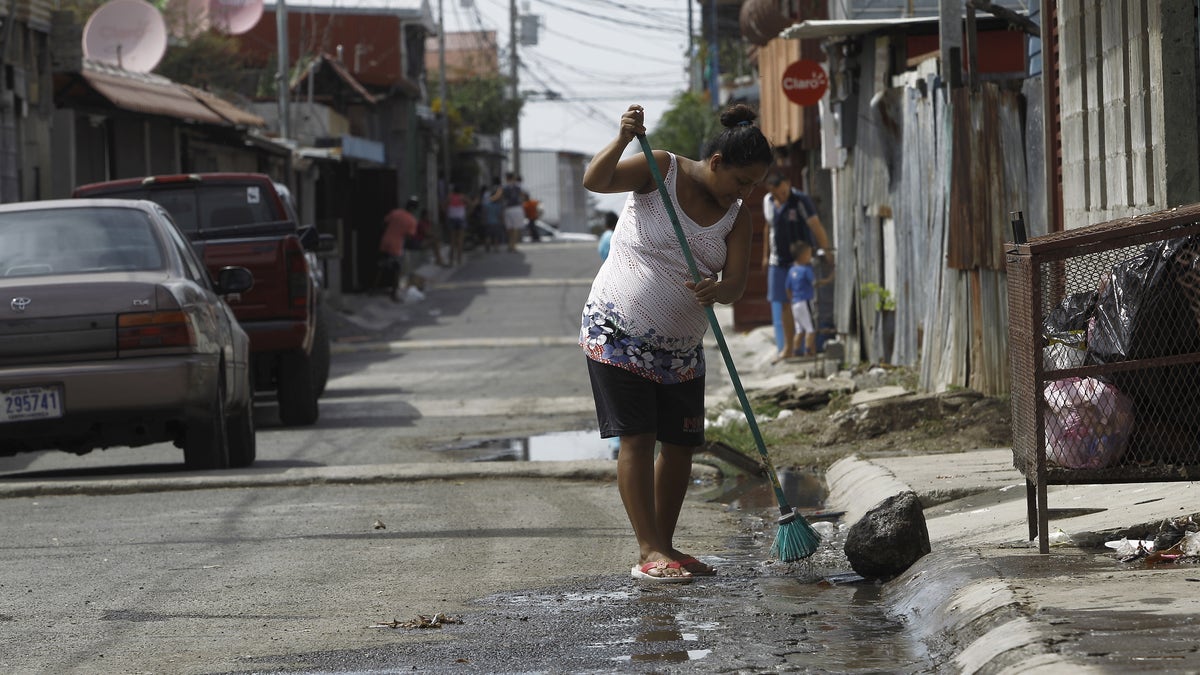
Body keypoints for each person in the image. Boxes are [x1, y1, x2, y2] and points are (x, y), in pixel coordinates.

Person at [580, 102, 773, 582]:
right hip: (617, 330)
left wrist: (718, 290)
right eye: (741, 181)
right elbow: (595, 181)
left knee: (682, 444)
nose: (745, 193)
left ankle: (666, 546)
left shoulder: (736, 218)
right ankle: (648, 550)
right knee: (638, 437)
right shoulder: (660, 167)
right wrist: (624, 138)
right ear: (715, 163)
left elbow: (735, 285)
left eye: (754, 185)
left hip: (683, 348)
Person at [762, 173, 831, 362]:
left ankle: (808, 347)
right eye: (776, 194)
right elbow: (768, 228)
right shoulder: (768, 201)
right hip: (778, 261)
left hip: (800, 261)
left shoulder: (801, 200)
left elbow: (816, 226)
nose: (780, 197)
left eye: (783, 193)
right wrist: (765, 255)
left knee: (804, 302)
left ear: (788, 184)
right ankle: (789, 348)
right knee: (784, 304)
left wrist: (827, 251)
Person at [785, 240, 830, 358]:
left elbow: (788, 288)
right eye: (809, 254)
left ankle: (795, 351)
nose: (810, 257)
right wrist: (829, 278)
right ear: (803, 256)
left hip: (795, 303)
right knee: (811, 329)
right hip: (805, 302)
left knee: (799, 330)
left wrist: (792, 300)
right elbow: (815, 282)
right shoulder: (806, 270)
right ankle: (808, 351)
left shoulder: (791, 270)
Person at [377, 196, 419, 302]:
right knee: (397, 269)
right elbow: (410, 236)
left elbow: (383, 223)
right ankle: (394, 294)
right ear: (414, 209)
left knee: (382, 265)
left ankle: (374, 288)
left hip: (385, 242)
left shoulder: (395, 213)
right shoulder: (412, 220)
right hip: (396, 246)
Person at [491, 172, 524, 253]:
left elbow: (497, 197)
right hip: (517, 208)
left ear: (506, 178)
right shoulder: (518, 186)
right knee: (515, 228)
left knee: (509, 228)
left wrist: (489, 198)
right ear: (513, 178)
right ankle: (513, 245)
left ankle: (510, 244)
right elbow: (523, 196)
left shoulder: (503, 187)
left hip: (508, 208)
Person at [445, 184, 468, 266]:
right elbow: (471, 204)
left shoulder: (449, 197)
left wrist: (447, 213)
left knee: (452, 241)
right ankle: (459, 260)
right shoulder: (463, 197)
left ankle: (451, 261)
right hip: (461, 218)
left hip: (452, 219)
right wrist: (466, 212)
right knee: (460, 241)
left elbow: (444, 206)